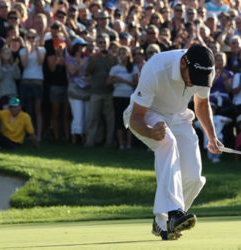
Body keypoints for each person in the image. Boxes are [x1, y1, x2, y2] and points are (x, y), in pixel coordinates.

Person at [123, 45, 222, 240]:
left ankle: (163, 221)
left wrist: (212, 136)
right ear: (183, 63)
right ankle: (174, 213)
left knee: (194, 177)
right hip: (149, 115)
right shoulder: (156, 68)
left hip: (179, 117)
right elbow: (135, 117)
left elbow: (201, 104)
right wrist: (151, 132)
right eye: (192, 77)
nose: (195, 83)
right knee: (167, 143)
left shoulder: (203, 70)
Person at [84, 34, 117, 147]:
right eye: (100, 42)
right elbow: (88, 71)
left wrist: (111, 58)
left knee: (109, 120)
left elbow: (115, 70)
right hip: (95, 91)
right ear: (97, 44)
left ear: (108, 44)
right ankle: (90, 142)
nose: (102, 45)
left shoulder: (113, 57)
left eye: (104, 42)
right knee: (93, 118)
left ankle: (108, 142)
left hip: (109, 92)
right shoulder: (93, 57)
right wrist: (94, 58)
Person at [107, 46, 138, 149]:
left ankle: (129, 144)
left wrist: (122, 80)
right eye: (120, 53)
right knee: (119, 120)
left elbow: (136, 84)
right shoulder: (115, 68)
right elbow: (107, 82)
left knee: (128, 121)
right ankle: (121, 144)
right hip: (117, 96)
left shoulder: (133, 68)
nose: (122, 55)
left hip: (128, 97)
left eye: (124, 53)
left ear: (128, 55)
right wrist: (114, 80)